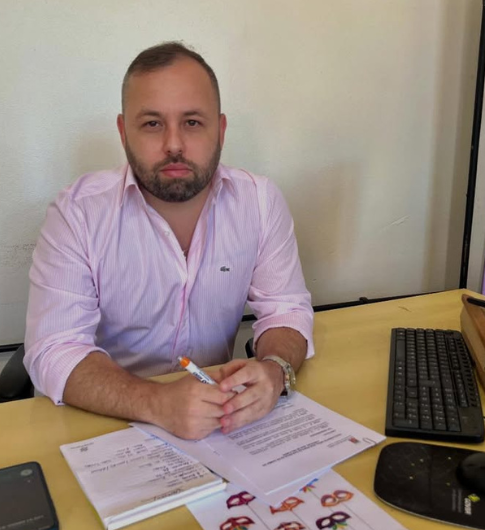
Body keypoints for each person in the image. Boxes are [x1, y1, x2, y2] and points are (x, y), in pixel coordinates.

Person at [24, 42, 314, 440]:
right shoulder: (78, 214)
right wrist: (156, 402)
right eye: (152, 124)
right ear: (124, 132)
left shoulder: (259, 202)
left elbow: (286, 309)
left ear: (220, 130)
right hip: (106, 423)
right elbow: (55, 348)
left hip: (219, 424)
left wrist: (275, 370)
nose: (174, 144)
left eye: (192, 122)